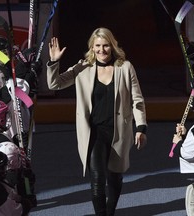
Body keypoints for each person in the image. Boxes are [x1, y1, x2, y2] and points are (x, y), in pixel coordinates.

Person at [46, 27, 147, 215]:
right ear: (92, 47)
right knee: (97, 179)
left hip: (119, 132)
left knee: (114, 177)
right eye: (97, 46)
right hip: (94, 133)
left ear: (113, 46)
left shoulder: (125, 67)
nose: (102, 50)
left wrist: (141, 127)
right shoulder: (82, 67)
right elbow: (55, 84)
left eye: (106, 45)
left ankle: (110, 211)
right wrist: (54, 62)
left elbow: (137, 100)